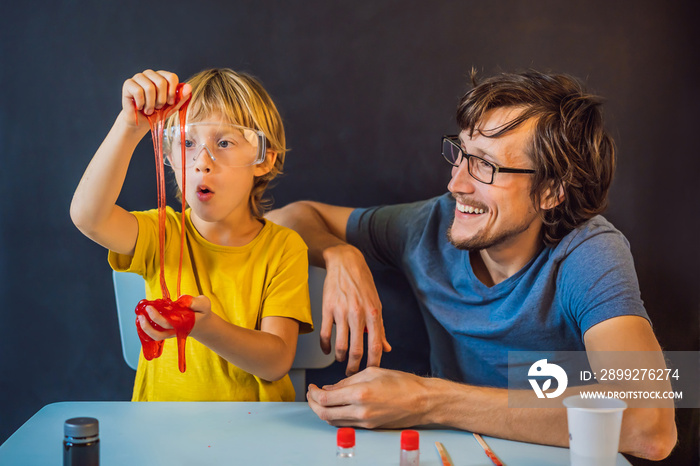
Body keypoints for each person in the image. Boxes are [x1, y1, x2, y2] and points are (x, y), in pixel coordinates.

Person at [266, 70, 677, 460]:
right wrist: (341, 255)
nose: (456, 183)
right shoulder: (429, 225)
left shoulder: (589, 254)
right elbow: (289, 218)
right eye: (461, 153)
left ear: (551, 191)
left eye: (486, 165)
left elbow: (650, 425)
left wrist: (426, 400)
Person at [71, 68, 312, 402]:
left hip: (255, 440)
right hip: (162, 439)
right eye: (187, 143)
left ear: (263, 160)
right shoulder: (161, 233)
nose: (202, 162)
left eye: (224, 142)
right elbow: (88, 217)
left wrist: (204, 327)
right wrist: (129, 126)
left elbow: (275, 362)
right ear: (169, 156)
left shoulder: (284, 248)